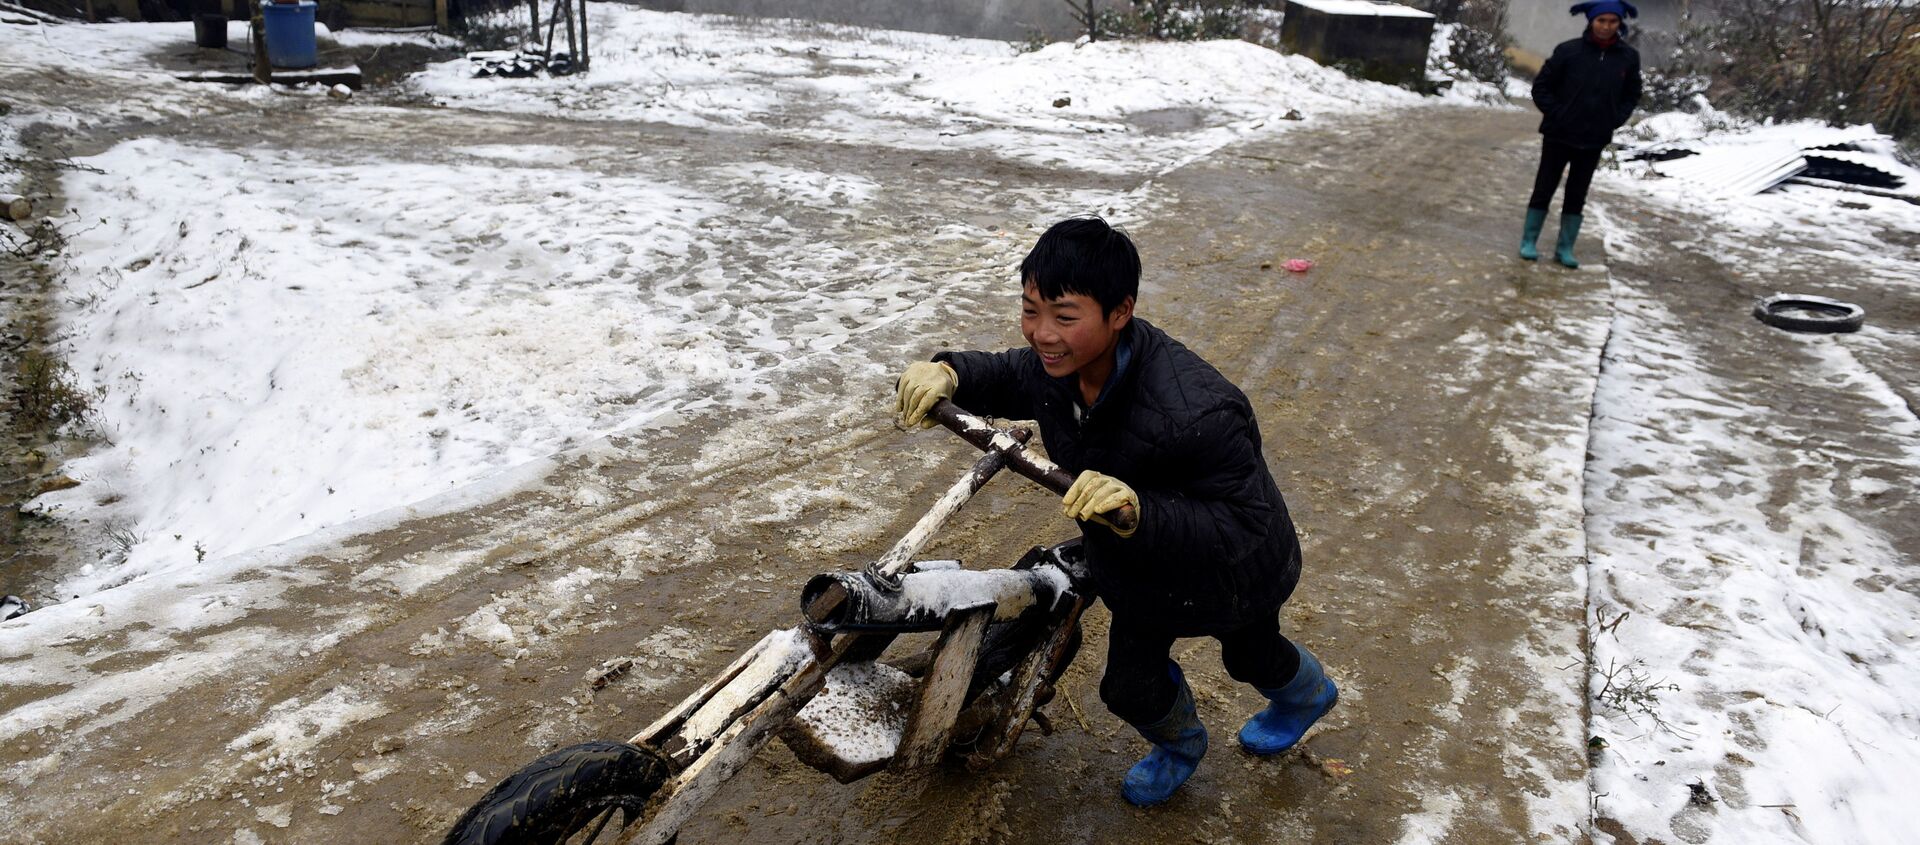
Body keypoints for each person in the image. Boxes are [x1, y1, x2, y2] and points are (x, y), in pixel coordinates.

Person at [892, 216, 1336, 807]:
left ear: (1120, 312)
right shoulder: (1059, 370)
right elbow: (1005, 373)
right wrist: (948, 371)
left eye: (1064, 317)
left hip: (1233, 571)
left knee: (1251, 653)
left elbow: (1243, 521)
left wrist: (1138, 509)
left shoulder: (1197, 407)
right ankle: (1181, 747)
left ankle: (1306, 697)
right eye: (1030, 311)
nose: (1042, 334)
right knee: (1129, 688)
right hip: (1139, 567)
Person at [1521, 1, 1643, 268]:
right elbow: (1541, 87)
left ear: (1620, 24)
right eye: (1601, 21)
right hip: (1558, 134)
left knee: (1577, 193)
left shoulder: (1628, 58)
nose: (1606, 26)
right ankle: (1529, 241)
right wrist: (1557, 113)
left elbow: (1632, 93)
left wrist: (1615, 118)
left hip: (1594, 138)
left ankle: (1565, 248)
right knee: (1545, 187)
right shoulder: (1568, 51)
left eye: (1612, 21)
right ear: (1591, 22)